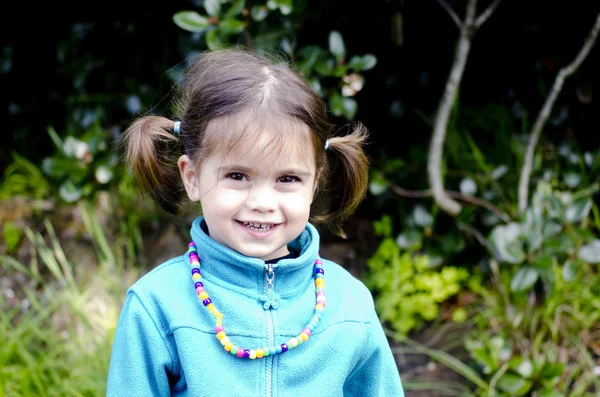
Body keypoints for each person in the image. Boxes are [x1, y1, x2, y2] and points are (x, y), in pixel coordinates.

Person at [106, 47, 404, 397]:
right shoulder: (156, 306)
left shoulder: (349, 304)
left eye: (288, 179)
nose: (262, 203)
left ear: (315, 183)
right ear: (193, 177)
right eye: (237, 175)